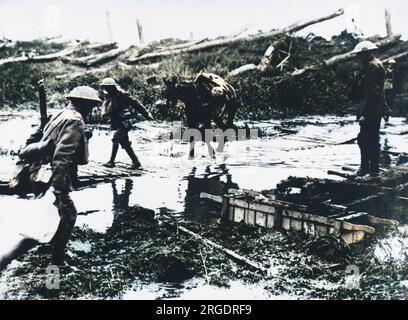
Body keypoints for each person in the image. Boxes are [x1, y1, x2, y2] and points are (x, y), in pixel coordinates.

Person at [20, 86, 101, 265]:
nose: (92, 111)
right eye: (92, 106)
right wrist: (57, 189)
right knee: (68, 216)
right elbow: (62, 157)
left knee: (59, 215)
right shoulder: (75, 120)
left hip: (39, 171)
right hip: (50, 176)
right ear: (86, 105)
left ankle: (50, 249)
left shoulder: (60, 114)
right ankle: (55, 265)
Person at [351, 41, 391, 177]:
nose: (358, 57)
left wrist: (365, 114)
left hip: (371, 109)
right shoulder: (376, 63)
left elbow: (372, 93)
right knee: (373, 138)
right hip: (376, 108)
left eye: (359, 55)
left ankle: (365, 169)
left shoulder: (371, 67)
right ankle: (373, 168)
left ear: (365, 53)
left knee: (364, 139)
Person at [100, 78, 153, 169]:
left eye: (108, 87)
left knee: (116, 138)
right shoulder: (109, 96)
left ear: (113, 87)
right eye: (105, 87)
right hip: (118, 121)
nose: (106, 89)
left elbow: (136, 104)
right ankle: (136, 162)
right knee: (125, 143)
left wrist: (146, 114)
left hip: (125, 121)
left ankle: (111, 162)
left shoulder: (122, 95)